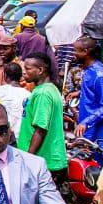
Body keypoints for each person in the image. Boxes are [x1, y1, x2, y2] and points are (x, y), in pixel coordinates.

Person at [14, 53, 67, 181]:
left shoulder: (43, 93)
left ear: (41, 70)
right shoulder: (49, 89)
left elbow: (40, 129)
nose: (24, 73)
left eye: (28, 69)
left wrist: (29, 159)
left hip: (43, 159)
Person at [72, 36, 103, 147]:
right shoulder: (88, 70)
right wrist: (79, 94)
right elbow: (94, 93)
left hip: (98, 137)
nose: (73, 54)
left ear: (85, 52)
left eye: (75, 50)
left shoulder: (99, 76)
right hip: (87, 132)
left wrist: (86, 122)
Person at [0, 62, 28, 138]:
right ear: (21, 76)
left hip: (1, 136)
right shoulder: (28, 95)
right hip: (21, 137)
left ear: (5, 76)